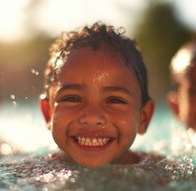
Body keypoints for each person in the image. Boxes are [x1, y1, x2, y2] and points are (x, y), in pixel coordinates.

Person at [40, 22, 163, 168]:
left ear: (143, 117)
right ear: (48, 113)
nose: (92, 118)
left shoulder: (162, 176)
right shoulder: (30, 176)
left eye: (115, 100)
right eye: (72, 98)